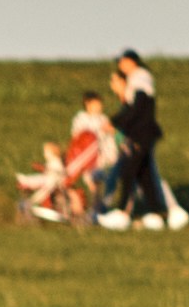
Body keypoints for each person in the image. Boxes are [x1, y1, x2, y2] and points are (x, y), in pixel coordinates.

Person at [100, 52, 185, 229]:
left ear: (131, 61)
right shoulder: (137, 79)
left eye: (122, 62)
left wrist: (114, 122)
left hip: (141, 134)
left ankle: (122, 214)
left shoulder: (140, 78)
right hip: (142, 134)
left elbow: (137, 108)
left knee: (128, 171)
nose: (120, 65)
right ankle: (156, 215)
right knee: (145, 175)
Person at [14, 85, 119, 224]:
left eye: (100, 104)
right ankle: (91, 211)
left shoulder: (104, 119)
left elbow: (110, 137)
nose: (99, 106)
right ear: (87, 104)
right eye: (96, 104)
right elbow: (79, 139)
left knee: (95, 183)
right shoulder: (81, 119)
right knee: (86, 180)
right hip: (85, 158)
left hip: (100, 157)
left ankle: (96, 210)